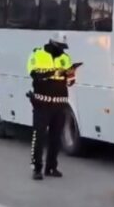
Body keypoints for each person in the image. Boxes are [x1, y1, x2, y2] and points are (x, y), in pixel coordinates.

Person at [26, 32, 76, 180]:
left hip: (60, 104)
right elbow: (35, 74)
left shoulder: (65, 58)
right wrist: (55, 72)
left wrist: (70, 74)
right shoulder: (37, 54)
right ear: (53, 44)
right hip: (42, 103)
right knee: (39, 136)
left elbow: (70, 81)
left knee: (55, 138)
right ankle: (36, 168)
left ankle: (51, 167)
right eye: (60, 47)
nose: (62, 51)